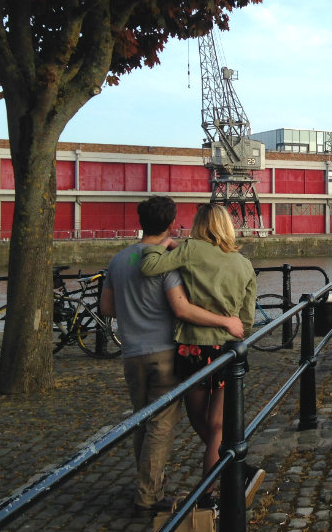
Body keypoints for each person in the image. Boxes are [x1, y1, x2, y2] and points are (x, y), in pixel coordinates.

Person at [100, 196, 245, 513]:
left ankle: (153, 483)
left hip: (132, 352)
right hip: (166, 351)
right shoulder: (176, 261)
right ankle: (150, 494)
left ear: (140, 222)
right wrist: (226, 321)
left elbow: (107, 308)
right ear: (170, 224)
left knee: (143, 421)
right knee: (162, 426)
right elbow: (182, 307)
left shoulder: (119, 260)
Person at [140, 203, 258, 508]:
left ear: (199, 225)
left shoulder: (190, 249)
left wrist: (162, 246)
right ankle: (220, 480)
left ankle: (211, 487)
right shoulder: (244, 264)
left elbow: (149, 267)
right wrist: (234, 329)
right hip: (228, 350)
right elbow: (247, 318)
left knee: (197, 418)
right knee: (218, 425)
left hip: (193, 346)